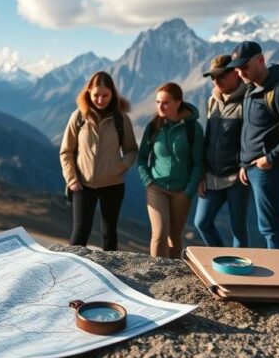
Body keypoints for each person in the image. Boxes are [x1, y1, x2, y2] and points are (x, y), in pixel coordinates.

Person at [227, 41, 279, 249]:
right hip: (252, 168)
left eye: (244, 67)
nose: (240, 73)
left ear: (260, 61)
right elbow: (251, 130)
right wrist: (244, 164)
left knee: (269, 226)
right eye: (237, 68)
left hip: (269, 169)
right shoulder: (251, 88)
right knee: (266, 225)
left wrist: (269, 159)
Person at [60, 71, 138, 251]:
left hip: (113, 185)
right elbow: (66, 152)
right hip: (82, 185)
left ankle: (110, 276)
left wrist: (120, 167)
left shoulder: (121, 118)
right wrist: (71, 179)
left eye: (105, 95)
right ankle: (71, 273)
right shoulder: (79, 117)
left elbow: (131, 150)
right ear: (88, 93)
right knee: (79, 234)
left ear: (112, 94)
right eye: (96, 95)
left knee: (109, 234)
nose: (101, 100)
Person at [137, 82, 204, 259]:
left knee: (174, 238)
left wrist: (189, 191)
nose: (160, 106)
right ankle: (156, 276)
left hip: (181, 191)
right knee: (159, 235)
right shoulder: (153, 127)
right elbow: (142, 157)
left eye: (165, 102)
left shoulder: (193, 128)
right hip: (156, 187)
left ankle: (174, 277)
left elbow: (199, 163)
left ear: (178, 102)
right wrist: (148, 181)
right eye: (158, 102)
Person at [192, 54, 250, 247]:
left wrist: (244, 165)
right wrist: (202, 173)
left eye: (220, 76)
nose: (215, 80)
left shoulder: (247, 101)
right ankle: (221, 259)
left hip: (237, 178)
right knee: (202, 222)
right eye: (212, 77)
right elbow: (208, 138)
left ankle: (239, 273)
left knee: (239, 231)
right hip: (211, 176)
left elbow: (249, 140)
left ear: (235, 73)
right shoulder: (212, 101)